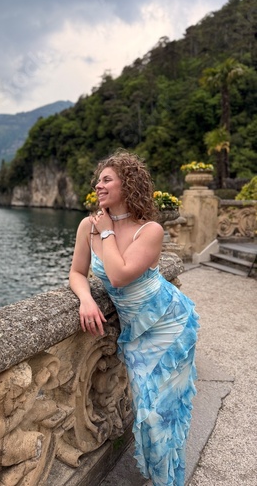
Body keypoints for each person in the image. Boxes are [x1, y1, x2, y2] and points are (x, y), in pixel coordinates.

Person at [69, 148, 199, 486]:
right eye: (98, 179)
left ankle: (167, 481)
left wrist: (109, 231)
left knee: (163, 414)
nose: (98, 185)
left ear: (128, 185)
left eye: (107, 179)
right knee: (148, 415)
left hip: (170, 325)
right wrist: (85, 299)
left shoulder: (150, 230)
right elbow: (76, 272)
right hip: (137, 334)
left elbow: (119, 275)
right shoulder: (88, 225)